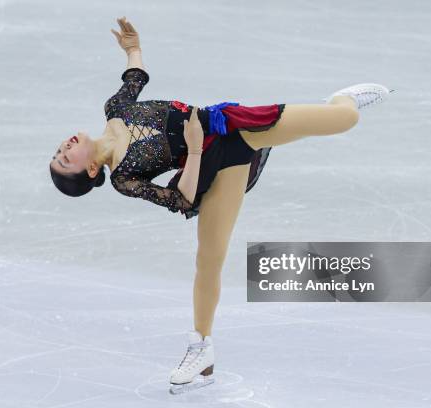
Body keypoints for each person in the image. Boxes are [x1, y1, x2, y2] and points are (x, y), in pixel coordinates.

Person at [48, 16, 392, 394]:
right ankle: (201, 349)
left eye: (59, 150)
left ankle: (341, 99)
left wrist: (132, 48)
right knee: (209, 259)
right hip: (213, 167)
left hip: (232, 125)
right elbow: (183, 198)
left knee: (346, 117)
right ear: (92, 169)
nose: (63, 148)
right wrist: (194, 148)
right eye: (65, 160)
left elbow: (136, 79)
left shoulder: (115, 109)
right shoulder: (123, 178)